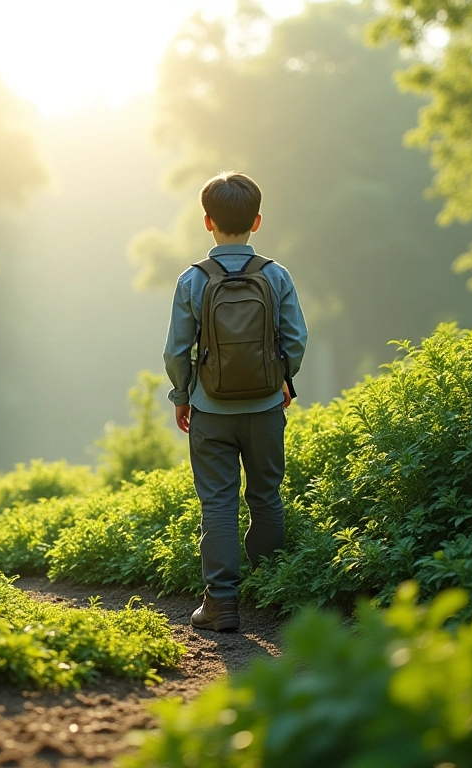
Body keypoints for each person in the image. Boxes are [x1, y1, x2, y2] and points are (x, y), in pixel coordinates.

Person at [162, 171, 308, 632]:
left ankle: (221, 604)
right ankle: (274, 593)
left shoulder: (192, 280)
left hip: (210, 410)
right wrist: (283, 380)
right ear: (257, 221)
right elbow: (297, 339)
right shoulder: (276, 275)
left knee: (218, 504)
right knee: (266, 497)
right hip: (265, 408)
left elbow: (175, 350)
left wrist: (183, 395)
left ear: (208, 222)